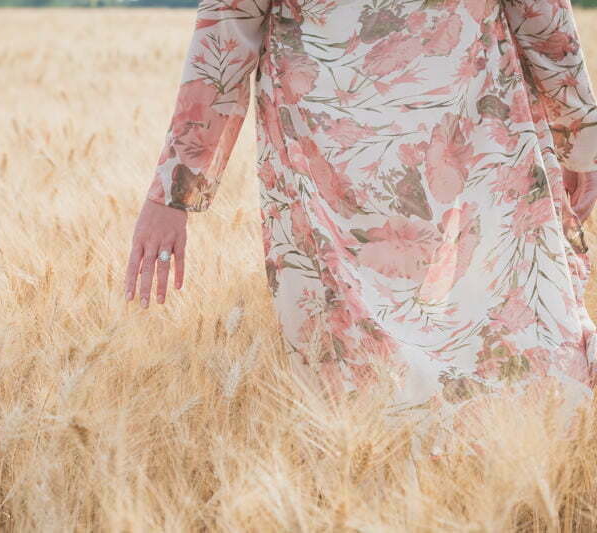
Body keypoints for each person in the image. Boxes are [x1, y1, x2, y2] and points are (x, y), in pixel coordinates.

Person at [124, 0, 597, 457]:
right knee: (502, 326)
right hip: (437, 145)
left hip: (367, 143)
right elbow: (543, 16)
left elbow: (229, 30)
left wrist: (172, 191)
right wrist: (580, 134)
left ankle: (442, 474)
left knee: (370, 362)